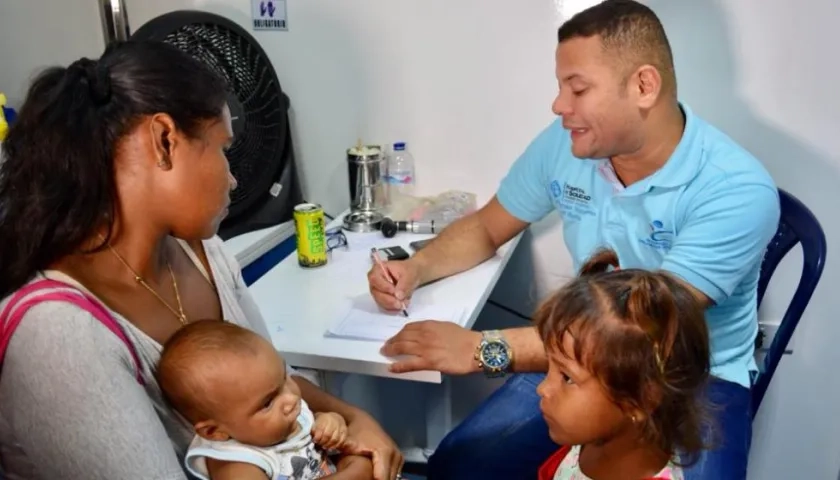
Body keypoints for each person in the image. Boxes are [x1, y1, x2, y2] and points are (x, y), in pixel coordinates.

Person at [367, 1, 780, 479]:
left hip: (693, 379)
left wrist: (483, 348)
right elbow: (486, 227)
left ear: (644, 86)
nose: (559, 106)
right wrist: (415, 268)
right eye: (561, 87)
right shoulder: (569, 143)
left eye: (577, 88)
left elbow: (639, 329)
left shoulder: (736, 189)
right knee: (461, 465)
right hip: (575, 360)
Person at [0, 40, 402, 480]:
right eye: (222, 148)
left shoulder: (200, 250)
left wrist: (359, 422)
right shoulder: (59, 337)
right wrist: (359, 469)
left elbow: (270, 382)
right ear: (165, 140)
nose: (231, 178)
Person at [534, 249, 711, 480]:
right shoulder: (594, 435)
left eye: (567, 377)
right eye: (551, 368)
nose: (542, 389)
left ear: (641, 399)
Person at [157, 321, 373, 480]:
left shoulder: (283, 414)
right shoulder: (235, 463)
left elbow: (318, 436)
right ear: (214, 432)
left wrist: (330, 421)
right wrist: (355, 472)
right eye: (268, 403)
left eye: (284, 377)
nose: (290, 399)